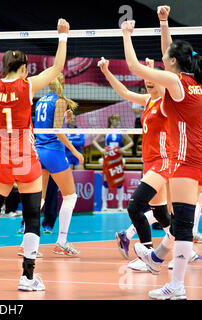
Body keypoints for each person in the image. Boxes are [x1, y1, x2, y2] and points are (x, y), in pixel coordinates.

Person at [0, 19, 69, 292]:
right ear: (23, 69)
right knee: (32, 218)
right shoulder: (27, 86)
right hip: (26, 159)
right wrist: (63, 37)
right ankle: (28, 278)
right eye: (27, 68)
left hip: (2, 160)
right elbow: (57, 68)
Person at [122, 6, 201, 299]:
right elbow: (170, 51)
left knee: (182, 223)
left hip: (184, 159)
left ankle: (177, 286)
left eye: (167, 59)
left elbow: (135, 68)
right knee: (182, 222)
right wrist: (163, 22)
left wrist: (126, 35)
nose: (163, 59)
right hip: (197, 158)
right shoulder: (194, 83)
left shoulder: (177, 84)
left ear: (172, 63)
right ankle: (156, 259)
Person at [98, 56, 176, 272]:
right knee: (160, 214)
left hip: (163, 161)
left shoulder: (166, 102)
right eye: (146, 80)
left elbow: (166, 84)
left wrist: (151, 69)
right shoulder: (148, 100)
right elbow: (123, 92)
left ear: (161, 80)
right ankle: (180, 247)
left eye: (153, 80)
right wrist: (106, 72)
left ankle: (146, 257)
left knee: (134, 206)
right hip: (149, 162)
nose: (149, 83)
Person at [33, 72, 84, 256]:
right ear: (62, 83)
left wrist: (64, 120)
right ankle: (61, 242)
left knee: (39, 198)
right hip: (54, 152)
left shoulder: (40, 101)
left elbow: (47, 125)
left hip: (39, 150)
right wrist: (75, 151)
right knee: (70, 196)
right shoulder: (60, 101)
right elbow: (58, 131)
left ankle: (27, 245)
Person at [92, 114, 133, 211]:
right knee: (106, 181)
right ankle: (104, 205)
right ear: (111, 120)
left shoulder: (121, 131)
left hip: (118, 159)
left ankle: (120, 206)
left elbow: (131, 142)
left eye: (118, 120)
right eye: (116, 120)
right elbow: (94, 141)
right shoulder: (106, 131)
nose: (118, 122)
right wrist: (101, 150)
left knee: (119, 180)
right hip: (108, 159)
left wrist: (123, 148)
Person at [131, 86, 147, 157]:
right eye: (142, 91)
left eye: (144, 91)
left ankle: (146, 153)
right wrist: (144, 110)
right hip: (138, 120)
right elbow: (135, 110)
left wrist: (140, 110)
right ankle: (133, 153)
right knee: (135, 137)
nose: (143, 92)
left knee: (147, 136)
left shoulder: (148, 98)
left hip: (146, 120)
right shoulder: (136, 99)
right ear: (139, 92)